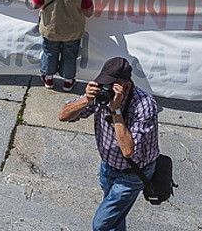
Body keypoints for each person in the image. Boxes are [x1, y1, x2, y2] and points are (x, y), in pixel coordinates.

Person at [57, 56, 161, 231]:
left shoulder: (145, 105)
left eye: (110, 86)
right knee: (115, 220)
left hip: (133, 173)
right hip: (108, 167)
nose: (105, 89)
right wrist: (86, 100)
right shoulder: (101, 94)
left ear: (125, 86)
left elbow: (128, 151)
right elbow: (63, 116)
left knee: (102, 223)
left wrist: (116, 110)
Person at [29, 0, 92, 90]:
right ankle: (68, 81)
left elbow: (34, 4)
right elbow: (88, 12)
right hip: (72, 31)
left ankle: (48, 79)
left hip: (51, 29)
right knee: (70, 55)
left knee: (49, 52)